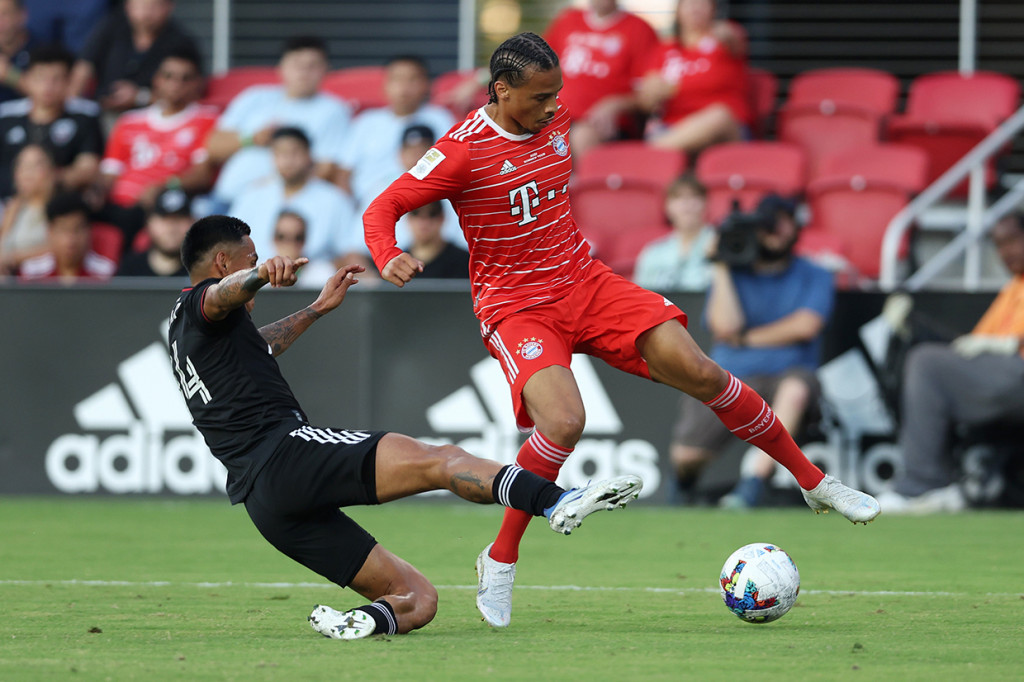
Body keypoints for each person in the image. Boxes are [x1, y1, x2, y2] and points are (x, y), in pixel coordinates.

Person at [362, 32, 879, 629]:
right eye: (539, 97)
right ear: (500, 91)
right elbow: (382, 208)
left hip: (587, 282)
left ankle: (815, 483)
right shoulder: (460, 151)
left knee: (704, 372)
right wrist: (387, 253)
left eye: (557, 94)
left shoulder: (558, 121)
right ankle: (500, 557)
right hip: (518, 307)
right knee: (564, 422)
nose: (553, 107)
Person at [168, 214, 641, 639]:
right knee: (441, 460)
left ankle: (359, 623)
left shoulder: (185, 330)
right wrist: (260, 274)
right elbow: (222, 294)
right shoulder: (201, 304)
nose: (255, 267)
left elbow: (259, 346)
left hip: (265, 503)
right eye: (249, 258)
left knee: (416, 598)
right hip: (288, 454)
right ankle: (555, 501)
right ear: (223, 262)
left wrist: (316, 309)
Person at [669, 195, 834, 508]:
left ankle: (752, 484)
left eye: (784, 225)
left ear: (797, 228)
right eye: (769, 225)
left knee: (795, 390)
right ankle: (683, 484)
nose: (776, 232)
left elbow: (806, 326)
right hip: (731, 375)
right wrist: (720, 264)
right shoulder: (733, 273)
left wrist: (744, 339)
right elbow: (724, 326)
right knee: (686, 456)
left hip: (789, 373)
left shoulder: (815, 273)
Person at [876, 214, 1024, 514]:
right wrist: (917, 327)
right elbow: (973, 347)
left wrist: (1008, 343)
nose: (1006, 252)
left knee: (927, 363)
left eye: (1013, 241)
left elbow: (999, 346)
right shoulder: (1014, 287)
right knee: (927, 361)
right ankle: (935, 484)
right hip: (1003, 374)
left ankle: (923, 484)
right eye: (999, 245)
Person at [205, 35, 352, 209]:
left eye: (312, 66)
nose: (304, 72)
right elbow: (213, 146)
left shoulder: (333, 110)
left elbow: (326, 169)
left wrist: (268, 190)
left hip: (279, 206)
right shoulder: (254, 97)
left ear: (326, 70)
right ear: (281, 67)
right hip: (225, 198)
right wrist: (253, 139)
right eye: (297, 64)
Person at [95, 45, 217, 245]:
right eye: (169, 76)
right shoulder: (128, 121)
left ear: (197, 83)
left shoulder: (206, 120)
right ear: (157, 79)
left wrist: (163, 187)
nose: (176, 84)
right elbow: (110, 172)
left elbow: (201, 175)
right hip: (117, 204)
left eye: (185, 78)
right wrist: (96, 193)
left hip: (161, 204)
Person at [227, 126, 358, 271]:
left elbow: (349, 252)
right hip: (258, 275)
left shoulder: (335, 200)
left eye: (295, 152)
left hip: (313, 277)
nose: (288, 159)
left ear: (309, 155)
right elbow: (232, 245)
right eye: (281, 153)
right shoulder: (251, 196)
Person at [543, 0, 660, 160]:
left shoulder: (639, 29)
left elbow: (648, 96)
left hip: (606, 123)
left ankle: (586, 176)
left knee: (582, 136)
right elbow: (540, 68)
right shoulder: (568, 20)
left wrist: (616, 104)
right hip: (556, 114)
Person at [335, 55, 454, 208]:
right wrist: (352, 209)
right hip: (369, 205)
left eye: (412, 79)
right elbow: (343, 174)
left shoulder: (440, 119)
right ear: (385, 85)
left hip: (425, 208)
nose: (404, 87)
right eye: (397, 79)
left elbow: (454, 167)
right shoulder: (366, 122)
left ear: (426, 84)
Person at [637, 0, 751, 154]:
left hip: (728, 131)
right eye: (689, 3)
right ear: (678, 10)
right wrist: (652, 93)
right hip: (673, 128)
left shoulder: (725, 39)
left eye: (702, 3)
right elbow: (645, 103)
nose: (696, 8)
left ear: (713, 10)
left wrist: (726, 33)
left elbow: (736, 40)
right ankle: (655, 152)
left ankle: (648, 154)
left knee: (719, 115)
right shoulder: (663, 50)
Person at [0, 44, 103, 198]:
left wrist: (42, 180)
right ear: (28, 79)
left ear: (69, 81)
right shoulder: (5, 116)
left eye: (56, 79)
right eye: (41, 78)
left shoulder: (84, 117)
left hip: (57, 202)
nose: (48, 86)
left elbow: (87, 168)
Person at [70, 0, 199, 118]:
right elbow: (84, 67)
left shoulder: (180, 43)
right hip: (103, 111)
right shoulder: (111, 27)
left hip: (156, 116)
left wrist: (140, 96)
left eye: (154, 6)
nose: (146, 13)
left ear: (169, 7)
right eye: (140, 6)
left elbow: (189, 93)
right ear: (128, 6)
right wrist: (72, 106)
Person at [632, 173, 716, 291]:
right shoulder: (654, 252)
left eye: (694, 196)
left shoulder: (720, 244)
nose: (687, 204)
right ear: (667, 207)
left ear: (706, 203)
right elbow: (640, 295)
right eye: (678, 197)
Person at [18, 190, 115, 281]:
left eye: (77, 229)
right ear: (50, 232)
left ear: (89, 231)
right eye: (64, 229)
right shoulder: (32, 273)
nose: (71, 239)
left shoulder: (105, 273)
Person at [0, 144, 56, 273]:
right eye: (23, 165)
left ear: (51, 170)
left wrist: (15, 257)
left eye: (36, 165)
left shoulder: (59, 208)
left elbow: (62, 247)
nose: (28, 171)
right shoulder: (12, 207)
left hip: (43, 279)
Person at [114, 186, 190, 278]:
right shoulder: (130, 268)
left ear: (192, 223)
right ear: (149, 223)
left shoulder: (202, 271)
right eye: (164, 219)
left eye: (179, 219)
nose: (172, 228)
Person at [266, 209, 337, 287]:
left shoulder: (323, 274)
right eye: (281, 236)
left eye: (298, 237)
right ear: (273, 239)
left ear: (305, 240)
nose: (290, 243)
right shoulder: (261, 273)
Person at [405, 200, 469, 279]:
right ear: (408, 218)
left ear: (442, 218)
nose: (424, 221)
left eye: (432, 214)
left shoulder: (465, 262)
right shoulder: (398, 264)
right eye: (416, 213)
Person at [0, 0, 37, 104]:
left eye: (5, 14)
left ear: (22, 15)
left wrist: (9, 74)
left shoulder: (41, 50)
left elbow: (55, 96)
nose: (0, 23)